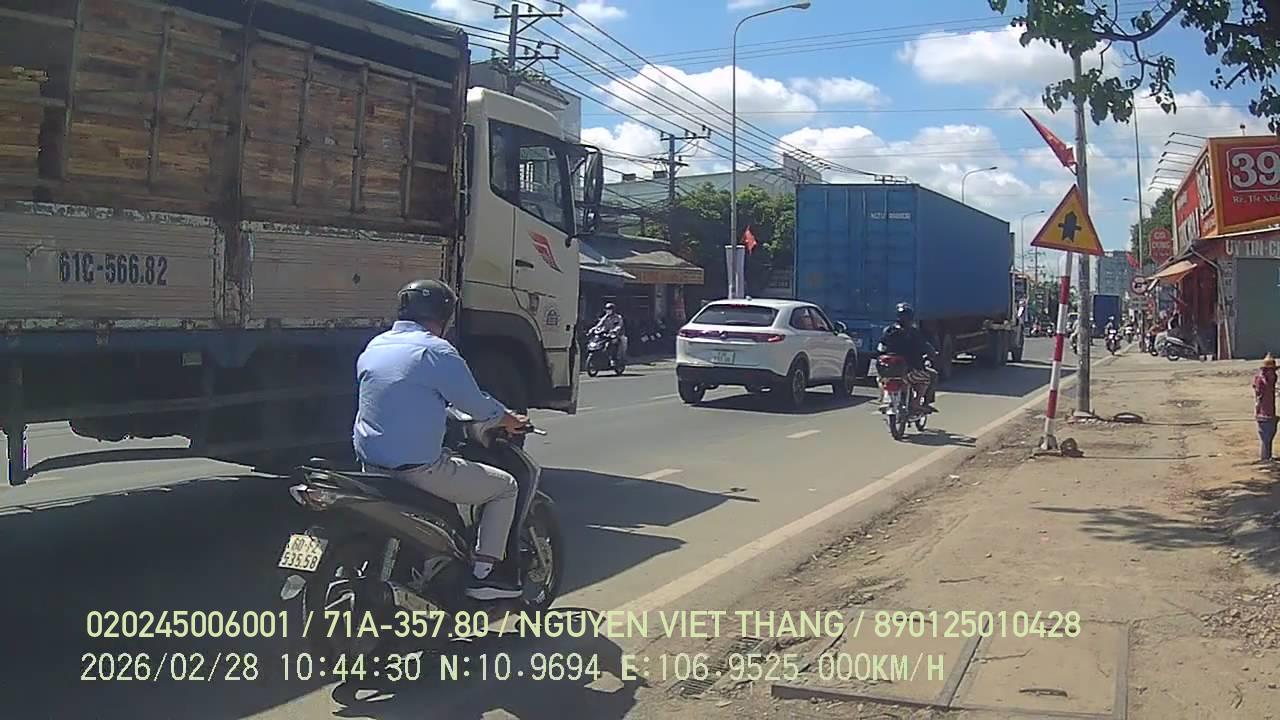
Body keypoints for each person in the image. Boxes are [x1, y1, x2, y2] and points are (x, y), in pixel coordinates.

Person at [353, 279, 531, 601]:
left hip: (371, 467)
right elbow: (475, 405)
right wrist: (509, 419)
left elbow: (399, 396)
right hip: (417, 471)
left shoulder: (375, 345)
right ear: (445, 315)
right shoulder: (436, 350)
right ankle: (484, 576)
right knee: (505, 487)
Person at [878, 302, 939, 413]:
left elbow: (880, 347)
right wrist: (932, 353)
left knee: (881, 379)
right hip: (910, 371)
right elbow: (925, 346)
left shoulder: (888, 330)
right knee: (930, 376)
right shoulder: (913, 333)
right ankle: (917, 402)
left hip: (889, 371)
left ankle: (884, 399)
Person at [1255, 354, 1277, 463]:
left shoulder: (1270, 380)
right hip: (1264, 414)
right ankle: (1265, 457)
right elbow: (1259, 394)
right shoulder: (1262, 380)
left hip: (1269, 413)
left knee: (1269, 436)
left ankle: (1267, 456)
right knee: (1266, 437)